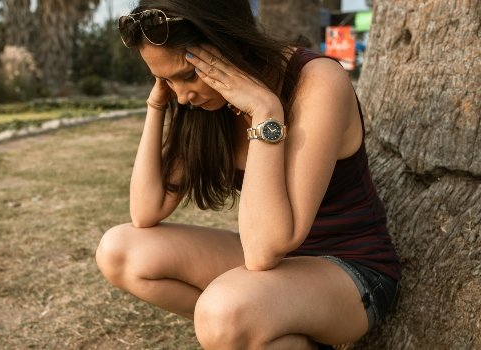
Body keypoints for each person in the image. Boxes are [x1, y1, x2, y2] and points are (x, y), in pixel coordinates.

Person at [95, 1, 401, 348]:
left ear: (230, 45)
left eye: (187, 75)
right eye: (165, 79)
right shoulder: (200, 103)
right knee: (119, 251)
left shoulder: (317, 80)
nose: (182, 95)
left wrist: (265, 111)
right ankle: (266, 327)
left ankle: (250, 324)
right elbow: (145, 210)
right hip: (271, 269)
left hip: (351, 269)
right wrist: (157, 104)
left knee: (223, 313)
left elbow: (264, 251)